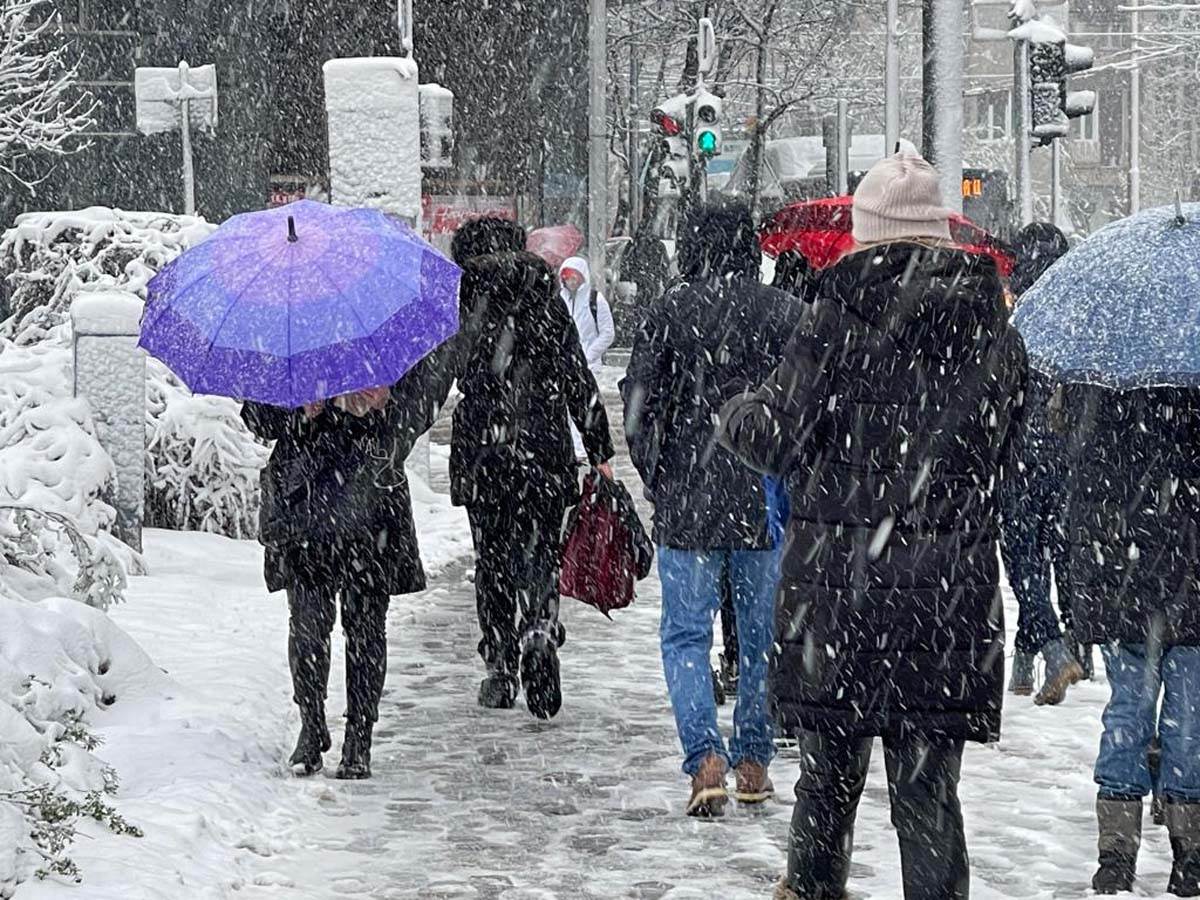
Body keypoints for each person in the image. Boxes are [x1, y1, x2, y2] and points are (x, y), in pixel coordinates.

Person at [719, 151, 1026, 899]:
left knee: (827, 792)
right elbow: (1009, 451)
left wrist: (739, 409)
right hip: (946, 600)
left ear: (868, 232)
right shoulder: (991, 329)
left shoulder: (832, 319)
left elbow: (779, 442)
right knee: (927, 802)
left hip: (840, 597)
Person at [621, 198, 805, 817]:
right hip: (765, 501)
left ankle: (704, 758)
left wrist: (660, 478)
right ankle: (753, 760)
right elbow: (807, 408)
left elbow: (640, 411)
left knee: (685, 635)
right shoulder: (786, 314)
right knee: (761, 639)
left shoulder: (670, 312)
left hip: (689, 503)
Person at [242, 349, 455, 780]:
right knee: (307, 624)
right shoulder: (285, 338)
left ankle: (360, 734)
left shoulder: (383, 330)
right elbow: (256, 417)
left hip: (371, 501)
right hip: (304, 504)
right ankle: (312, 724)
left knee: (365, 627)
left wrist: (385, 406)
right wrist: (301, 409)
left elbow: (425, 398)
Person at [450, 219, 615, 720]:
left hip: (485, 450)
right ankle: (540, 629)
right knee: (541, 551)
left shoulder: (464, 300)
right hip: (543, 445)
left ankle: (500, 665)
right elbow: (576, 377)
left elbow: (442, 371)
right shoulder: (543, 297)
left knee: (493, 560)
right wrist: (600, 449)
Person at [1055, 384, 1200, 896]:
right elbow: (1087, 505)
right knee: (1154, 720)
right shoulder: (1110, 407)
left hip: (1157, 587)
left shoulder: (1106, 387)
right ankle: (1137, 850)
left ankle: (1162, 850)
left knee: (1163, 720)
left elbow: (1084, 508)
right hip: (1144, 589)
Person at [999, 222, 1086, 703]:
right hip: (1067, 454)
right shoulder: (1080, 318)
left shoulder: (1015, 319)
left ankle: (1043, 649)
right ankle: (1064, 641)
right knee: (1061, 553)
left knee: (1024, 559)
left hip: (1018, 455)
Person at [559, 256, 615, 461]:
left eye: (574, 277)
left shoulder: (596, 300)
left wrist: (588, 354)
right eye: (566, 278)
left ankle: (584, 447)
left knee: (587, 407)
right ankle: (573, 447)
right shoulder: (561, 300)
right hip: (566, 363)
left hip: (589, 364)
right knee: (567, 408)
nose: (571, 282)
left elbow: (607, 333)